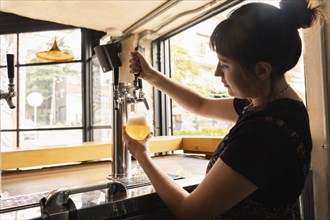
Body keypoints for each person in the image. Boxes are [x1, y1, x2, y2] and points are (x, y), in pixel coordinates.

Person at [124, 0, 323, 219]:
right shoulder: (274, 104)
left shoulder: (263, 134)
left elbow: (190, 212)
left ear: (261, 70)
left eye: (225, 65)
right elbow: (201, 105)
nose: (217, 73)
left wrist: (142, 155)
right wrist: (151, 75)